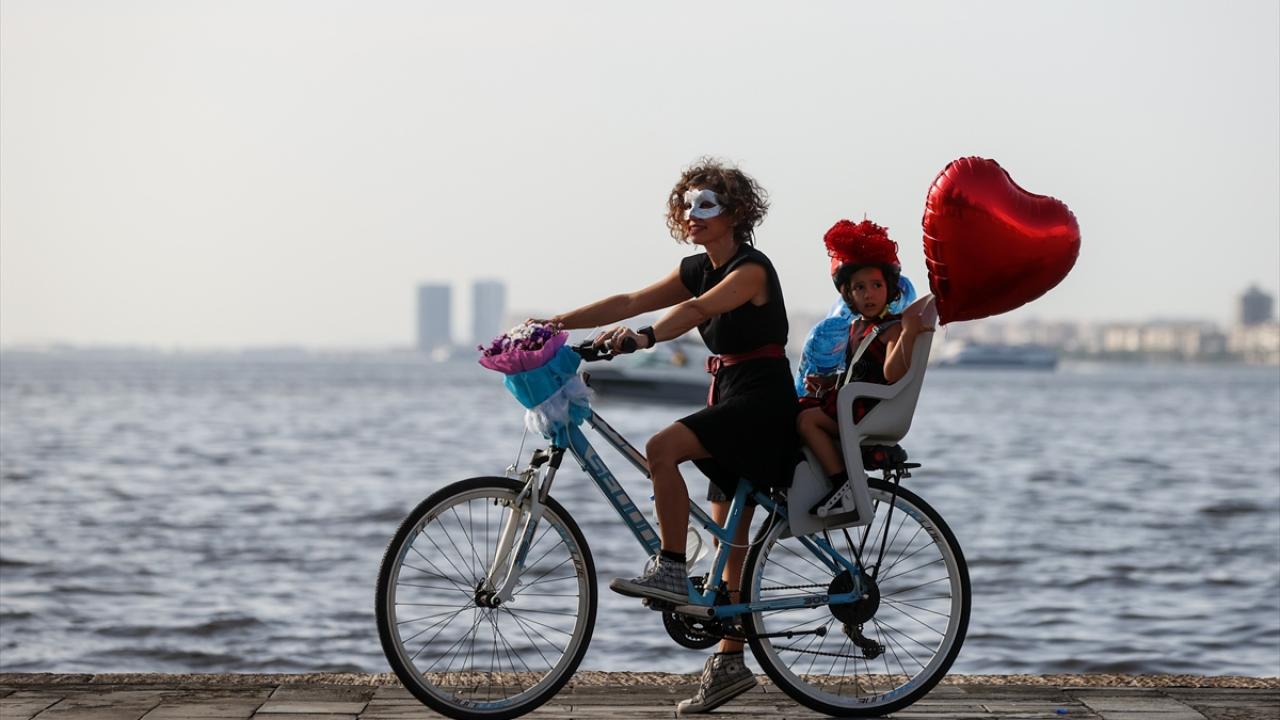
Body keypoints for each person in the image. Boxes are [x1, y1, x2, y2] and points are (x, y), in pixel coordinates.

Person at [538, 158, 796, 714]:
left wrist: (645, 338)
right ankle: (730, 663)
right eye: (686, 205)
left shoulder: (752, 270)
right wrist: (555, 324)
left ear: (736, 213)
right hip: (729, 394)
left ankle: (672, 567)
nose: (692, 214)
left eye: (707, 205)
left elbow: (696, 310)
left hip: (762, 401)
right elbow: (630, 301)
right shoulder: (697, 267)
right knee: (730, 538)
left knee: (662, 448)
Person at [796, 219, 934, 515]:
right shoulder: (856, 328)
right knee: (795, 411)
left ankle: (841, 484)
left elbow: (892, 373)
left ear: (890, 289)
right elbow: (855, 372)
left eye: (876, 285)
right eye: (860, 287)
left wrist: (908, 334)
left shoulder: (892, 329)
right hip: (849, 402)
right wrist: (828, 385)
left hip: (866, 409)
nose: (869, 294)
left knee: (807, 421)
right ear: (848, 294)